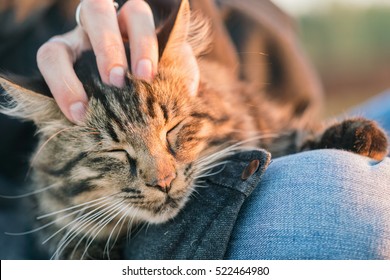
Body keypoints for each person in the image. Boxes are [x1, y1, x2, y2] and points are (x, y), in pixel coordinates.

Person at [0, 0, 389, 259]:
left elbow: (269, 18)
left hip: (256, 101)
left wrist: (155, 12)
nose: (162, 177)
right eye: (118, 155)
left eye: (170, 135)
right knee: (350, 206)